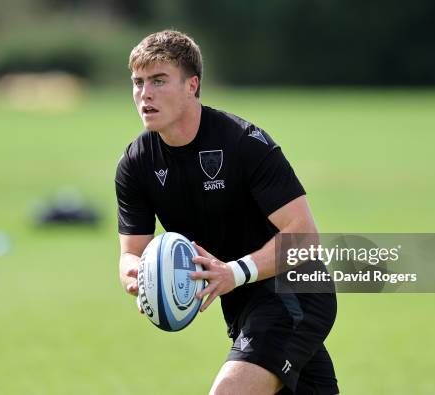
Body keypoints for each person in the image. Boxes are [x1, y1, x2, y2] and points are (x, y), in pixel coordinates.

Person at [116, 30, 339, 395]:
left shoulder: (242, 143)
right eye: (138, 82)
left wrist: (233, 272)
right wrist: (138, 278)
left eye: (159, 81)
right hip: (241, 306)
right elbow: (131, 253)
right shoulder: (136, 164)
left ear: (192, 85)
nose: (145, 94)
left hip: (296, 293)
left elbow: (305, 237)